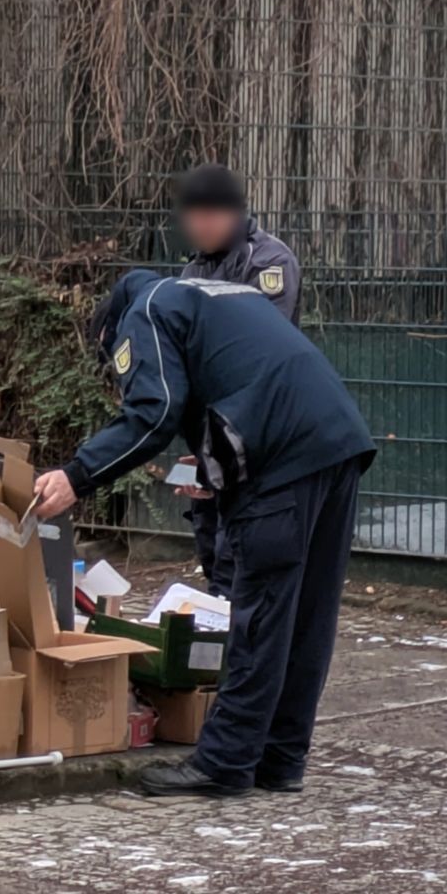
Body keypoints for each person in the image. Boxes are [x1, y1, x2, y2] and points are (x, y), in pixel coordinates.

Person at [32, 271, 375, 798]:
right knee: (308, 612)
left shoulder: (142, 313)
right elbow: (246, 376)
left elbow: (155, 412)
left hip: (282, 456)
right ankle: (280, 759)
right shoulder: (207, 293)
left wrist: (77, 475)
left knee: (259, 607)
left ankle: (225, 762)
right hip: (337, 441)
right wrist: (216, 466)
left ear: (109, 333)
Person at [167, 163, 301, 603]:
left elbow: (256, 354)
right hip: (214, 429)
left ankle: (241, 652)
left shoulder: (270, 262)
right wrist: (203, 451)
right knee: (210, 545)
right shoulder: (192, 273)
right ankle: (218, 651)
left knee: (239, 558)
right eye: (194, 216)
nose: (200, 225)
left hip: (260, 430)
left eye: (210, 215)